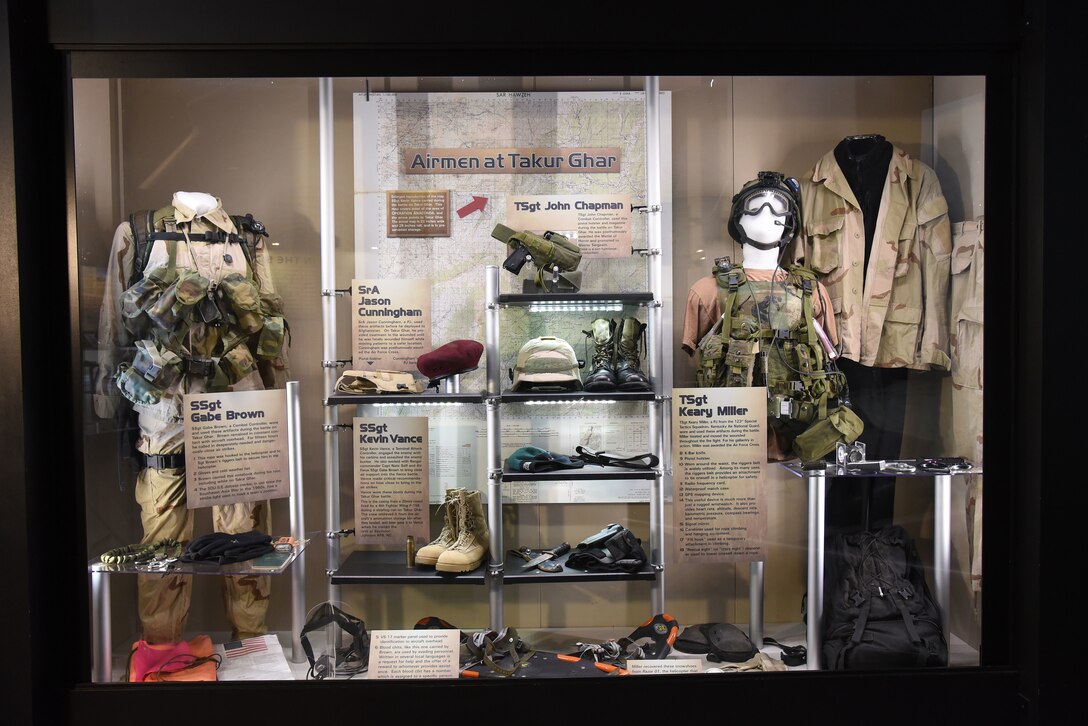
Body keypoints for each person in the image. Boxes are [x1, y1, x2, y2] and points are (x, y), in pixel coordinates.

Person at [95, 191, 289, 643]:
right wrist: (105, 398)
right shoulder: (139, 234)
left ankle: (253, 652)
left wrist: (278, 404)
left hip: (239, 405)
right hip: (164, 408)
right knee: (162, 545)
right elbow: (113, 322)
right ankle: (163, 659)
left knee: (247, 541)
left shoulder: (247, 237)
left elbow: (270, 322)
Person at [790, 135, 952, 530]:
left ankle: (877, 566)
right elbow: (798, 274)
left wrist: (934, 343)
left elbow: (937, 261)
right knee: (830, 469)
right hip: (832, 356)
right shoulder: (813, 187)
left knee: (884, 468)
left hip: (892, 348)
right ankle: (837, 576)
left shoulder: (918, 181)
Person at [683, 171, 851, 461]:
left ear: (789, 223)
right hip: (727, 445)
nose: (766, 213)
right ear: (738, 218)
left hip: (802, 445)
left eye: (778, 207)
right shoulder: (708, 291)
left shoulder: (813, 292)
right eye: (756, 205)